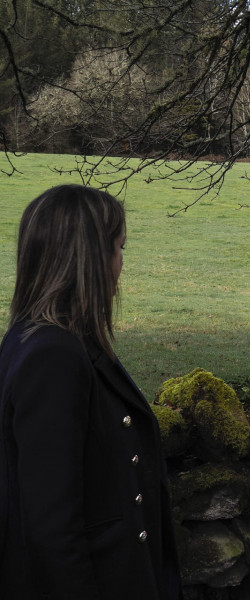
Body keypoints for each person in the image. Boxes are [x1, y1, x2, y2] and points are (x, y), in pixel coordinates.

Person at [0, 185, 182, 599]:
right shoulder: (54, 357)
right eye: (120, 249)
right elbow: (52, 529)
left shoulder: (41, 340)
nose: (122, 264)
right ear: (91, 260)